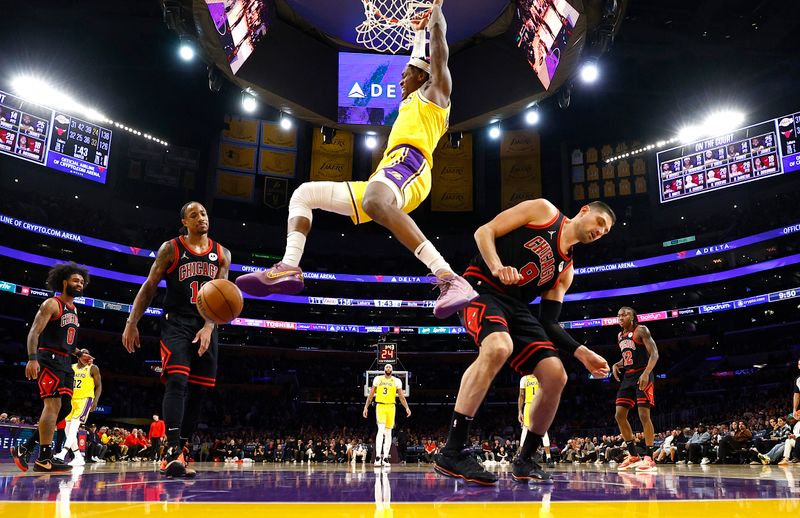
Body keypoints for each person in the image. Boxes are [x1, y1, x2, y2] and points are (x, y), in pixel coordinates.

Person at [235, 0, 475, 320]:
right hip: (390, 170)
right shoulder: (410, 101)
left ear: (422, 77)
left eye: (405, 76)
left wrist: (436, 14)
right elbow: (417, 61)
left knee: (376, 201)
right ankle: (289, 266)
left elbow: (439, 49)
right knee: (304, 194)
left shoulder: (436, 96)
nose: (400, 81)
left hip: (412, 165)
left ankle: (450, 278)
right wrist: (418, 35)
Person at [433, 199, 614, 485]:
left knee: (556, 376)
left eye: (605, 233)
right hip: (481, 287)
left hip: (517, 307)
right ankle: (452, 451)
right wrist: (497, 266)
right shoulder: (545, 211)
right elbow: (484, 231)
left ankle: (525, 459)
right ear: (584, 212)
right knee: (498, 347)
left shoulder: (566, 270)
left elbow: (549, 322)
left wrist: (581, 352)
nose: (600, 232)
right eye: (600, 223)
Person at [122, 201, 231, 478]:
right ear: (184, 222)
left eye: (204, 213)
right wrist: (132, 322)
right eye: (193, 215)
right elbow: (149, 286)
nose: (201, 218)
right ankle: (171, 450)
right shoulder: (171, 248)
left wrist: (209, 327)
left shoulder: (222, 254)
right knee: (177, 380)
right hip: (176, 322)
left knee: (199, 391)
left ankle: (182, 450)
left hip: (206, 325)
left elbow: (221, 295)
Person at [10, 262, 91, 473]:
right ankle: (44, 458)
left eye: (82, 281)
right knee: (53, 406)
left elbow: (68, 342)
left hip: (66, 361)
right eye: (75, 280)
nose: (79, 284)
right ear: (64, 282)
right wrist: (32, 358)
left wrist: (79, 354)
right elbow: (34, 333)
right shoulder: (51, 304)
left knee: (64, 408)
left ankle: (26, 448)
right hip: (48, 358)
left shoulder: (74, 309)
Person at [612, 306, 659, 473]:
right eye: (619, 315)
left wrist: (646, 373)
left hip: (643, 373)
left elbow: (654, 354)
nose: (621, 316)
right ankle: (633, 455)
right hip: (628, 377)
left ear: (633, 317)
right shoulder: (620, 335)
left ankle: (649, 458)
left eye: (625, 314)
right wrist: (618, 364)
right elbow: (628, 357)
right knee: (619, 415)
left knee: (643, 415)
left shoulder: (642, 330)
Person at [54, 348, 102, 466]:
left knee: (73, 428)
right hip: (71, 399)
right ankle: (78, 457)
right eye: (83, 353)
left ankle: (62, 454)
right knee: (67, 429)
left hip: (85, 400)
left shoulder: (93, 368)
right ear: (78, 356)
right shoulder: (72, 367)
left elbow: (99, 386)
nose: (85, 355)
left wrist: (95, 400)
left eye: (87, 353)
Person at [363, 364, 411, 466]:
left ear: (392, 370)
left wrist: (407, 407)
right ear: (384, 369)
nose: (388, 368)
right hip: (380, 406)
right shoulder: (377, 379)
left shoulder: (397, 381)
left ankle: (385, 458)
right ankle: (377, 457)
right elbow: (371, 394)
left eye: (390, 367)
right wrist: (365, 407)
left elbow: (401, 397)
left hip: (391, 407)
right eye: (386, 367)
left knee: (389, 433)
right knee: (380, 430)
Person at [518, 374, 553, 465]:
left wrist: (520, 411)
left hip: (537, 405)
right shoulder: (525, 379)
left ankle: (521, 458)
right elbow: (522, 395)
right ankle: (548, 458)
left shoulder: (528, 378)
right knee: (531, 431)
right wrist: (520, 412)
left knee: (539, 431)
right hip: (532, 405)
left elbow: (521, 396)